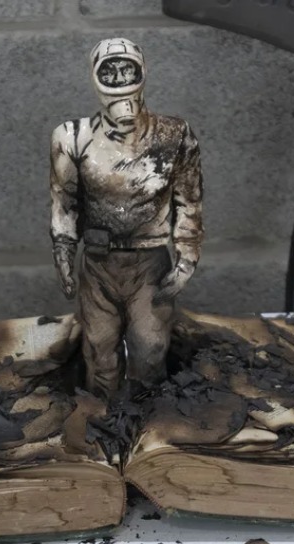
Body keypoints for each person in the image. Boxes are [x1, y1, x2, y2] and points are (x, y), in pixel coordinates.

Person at [49, 37, 203, 401]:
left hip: (150, 263)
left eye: (126, 70)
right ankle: (103, 418)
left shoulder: (174, 135)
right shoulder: (72, 137)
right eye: (110, 72)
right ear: (95, 76)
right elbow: (65, 202)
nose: (120, 81)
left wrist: (186, 259)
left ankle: (149, 419)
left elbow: (189, 201)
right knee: (99, 351)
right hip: (99, 264)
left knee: (150, 348)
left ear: (141, 72)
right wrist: (63, 253)